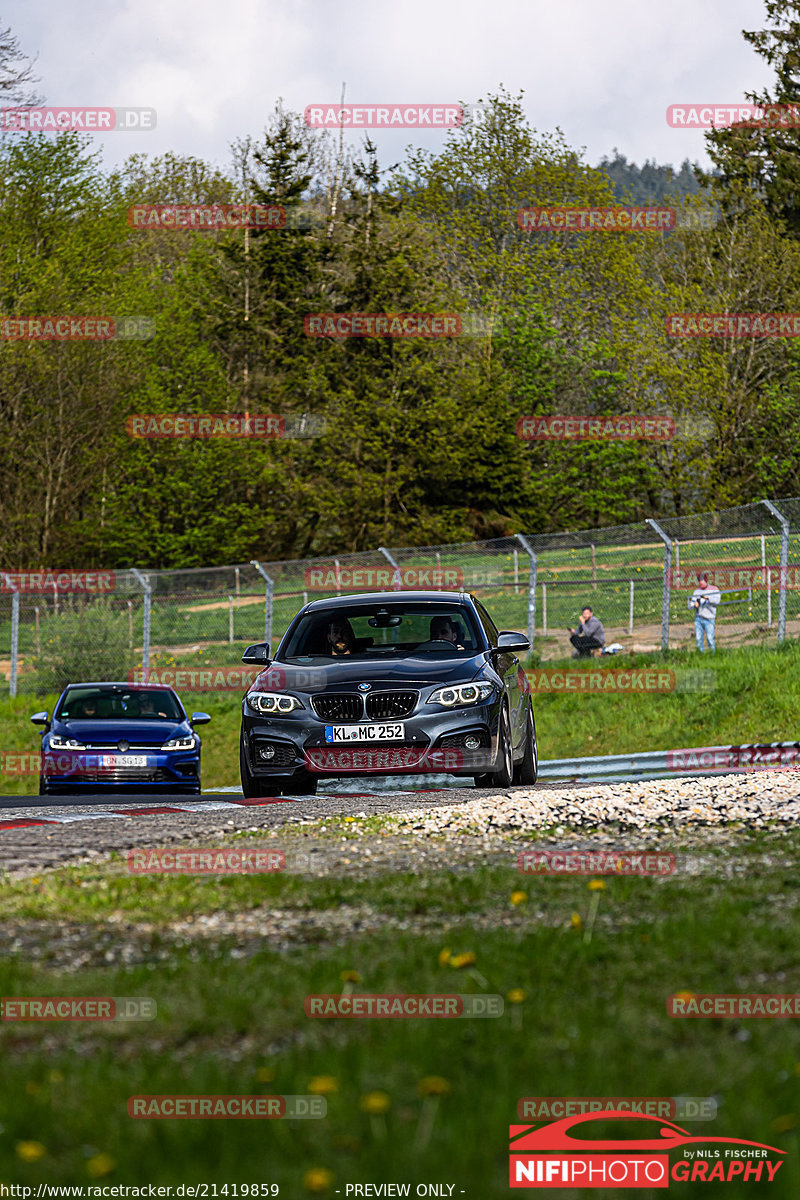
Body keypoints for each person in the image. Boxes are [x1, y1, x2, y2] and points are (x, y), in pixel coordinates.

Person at [689, 572, 721, 652]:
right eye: (699, 581)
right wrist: (694, 604)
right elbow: (692, 603)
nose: (701, 583)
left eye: (702, 581)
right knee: (699, 639)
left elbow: (717, 600)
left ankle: (712, 655)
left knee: (710, 639)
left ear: (706, 580)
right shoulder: (696, 592)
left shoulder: (714, 589)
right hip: (698, 618)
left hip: (709, 618)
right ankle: (700, 655)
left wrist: (707, 598)